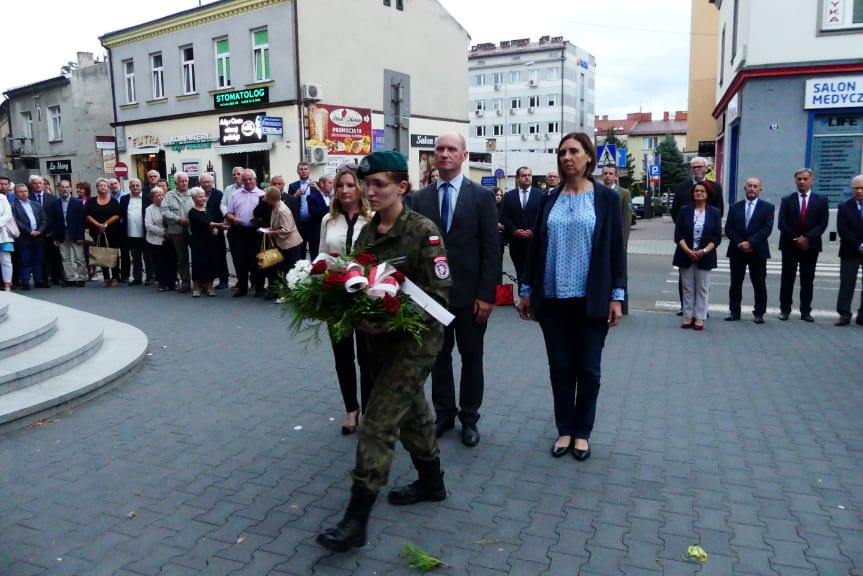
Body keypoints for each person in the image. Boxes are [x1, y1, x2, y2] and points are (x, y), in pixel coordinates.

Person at [316, 150, 451, 554]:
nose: (369, 192)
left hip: (416, 343)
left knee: (378, 421)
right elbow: (358, 277)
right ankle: (432, 483)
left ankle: (356, 519)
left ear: (402, 188)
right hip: (379, 340)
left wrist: (387, 321)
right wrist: (353, 312)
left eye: (379, 185)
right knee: (413, 413)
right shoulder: (368, 232)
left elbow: (437, 295)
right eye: (366, 185)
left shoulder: (423, 231)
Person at [517, 132, 625, 462]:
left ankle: (583, 432)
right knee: (561, 368)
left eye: (574, 151)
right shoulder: (549, 198)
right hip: (552, 300)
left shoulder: (605, 198)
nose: (567, 157)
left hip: (591, 300)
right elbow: (535, 249)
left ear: (589, 158)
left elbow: (616, 250)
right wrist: (526, 291)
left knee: (589, 369)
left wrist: (617, 296)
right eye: (562, 152)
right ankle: (565, 428)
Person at [412, 133, 498, 448]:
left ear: (463, 156)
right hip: (434, 299)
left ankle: (469, 418)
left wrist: (487, 294)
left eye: (451, 149)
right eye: (440, 149)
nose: (445, 154)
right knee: (439, 358)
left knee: (472, 359)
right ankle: (444, 415)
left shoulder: (482, 197)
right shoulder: (420, 199)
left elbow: (492, 249)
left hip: (472, 298)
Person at [318, 165, 373, 435]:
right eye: (340, 186)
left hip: (366, 294)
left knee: (367, 356)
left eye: (350, 185)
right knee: (342, 355)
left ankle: (370, 408)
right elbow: (320, 256)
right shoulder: (328, 220)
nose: (345, 190)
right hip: (336, 294)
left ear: (359, 187)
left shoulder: (372, 218)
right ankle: (351, 409)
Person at [671, 157, 724, 316]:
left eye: (699, 167)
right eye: (693, 167)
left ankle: (701, 310)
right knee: (685, 280)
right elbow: (675, 211)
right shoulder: (681, 187)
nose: (696, 170)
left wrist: (707, 239)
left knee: (703, 281)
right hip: (686, 240)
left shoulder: (715, 188)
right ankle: (685, 308)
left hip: (706, 240)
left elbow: (718, 211)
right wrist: (685, 229)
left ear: (706, 168)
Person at [777, 168, 829, 322]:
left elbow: (822, 223)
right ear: (795, 181)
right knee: (787, 278)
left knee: (807, 279)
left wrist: (807, 238)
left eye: (805, 179)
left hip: (810, 246)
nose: (802, 182)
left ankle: (805, 310)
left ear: (811, 180)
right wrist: (797, 238)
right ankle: (785, 309)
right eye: (799, 179)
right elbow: (782, 223)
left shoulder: (821, 200)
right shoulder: (787, 200)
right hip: (790, 245)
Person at [724, 177, 775, 324]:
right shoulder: (735, 207)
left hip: (757, 250)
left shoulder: (767, 208)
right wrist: (740, 242)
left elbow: (767, 229)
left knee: (759, 282)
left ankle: (759, 313)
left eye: (755, 186)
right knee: (735, 283)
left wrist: (750, 242)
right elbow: (729, 228)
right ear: (745, 188)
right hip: (737, 250)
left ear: (760, 189)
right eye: (749, 186)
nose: (752, 189)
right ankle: (734, 311)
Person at [226, 168, 265, 297]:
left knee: (258, 260)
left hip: (256, 232)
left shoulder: (262, 194)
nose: (248, 181)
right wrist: (233, 219)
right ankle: (242, 287)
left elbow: (267, 215)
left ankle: (259, 287)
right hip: (239, 231)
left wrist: (259, 220)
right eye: (245, 179)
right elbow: (228, 213)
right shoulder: (235, 194)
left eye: (250, 179)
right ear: (242, 181)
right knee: (239, 260)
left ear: (255, 179)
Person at [500, 166, 542, 281]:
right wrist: (514, 230)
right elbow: (504, 216)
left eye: (529, 175)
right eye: (524, 176)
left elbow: (543, 216)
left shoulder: (540, 195)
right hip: (516, 242)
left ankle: (533, 298)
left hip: (534, 241)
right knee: (520, 272)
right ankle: (522, 296)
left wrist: (533, 230)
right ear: (517, 178)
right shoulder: (509, 196)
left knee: (534, 272)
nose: (527, 178)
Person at [601, 164, 632, 314]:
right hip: (601, 239)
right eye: (605, 173)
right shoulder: (596, 192)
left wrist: (624, 243)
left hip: (617, 240)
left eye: (610, 173)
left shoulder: (624, 194)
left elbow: (626, 219)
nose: (607, 176)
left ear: (615, 176)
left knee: (620, 273)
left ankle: (622, 305)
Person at [835, 175, 863, 326]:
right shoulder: (845, 207)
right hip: (850, 250)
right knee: (847, 283)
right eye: (856, 188)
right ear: (852, 190)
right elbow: (843, 230)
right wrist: (859, 245)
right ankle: (844, 313)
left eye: (862, 188)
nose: (859, 191)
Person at [49, 180, 88, 287]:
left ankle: (81, 277)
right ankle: (69, 278)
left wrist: (81, 236)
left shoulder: (77, 202)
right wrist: (55, 237)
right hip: (62, 233)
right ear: (59, 188)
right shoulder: (55, 204)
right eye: (63, 187)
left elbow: (82, 221)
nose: (65, 189)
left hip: (76, 233)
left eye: (67, 187)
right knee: (65, 257)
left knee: (79, 257)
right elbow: (54, 222)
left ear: (70, 188)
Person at [85, 178, 122, 287]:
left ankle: (115, 277)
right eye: (100, 185)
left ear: (108, 188)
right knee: (101, 254)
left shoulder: (113, 201)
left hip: (112, 230)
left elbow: (117, 215)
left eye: (105, 186)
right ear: (97, 188)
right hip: (97, 231)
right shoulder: (91, 201)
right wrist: (98, 225)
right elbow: (88, 215)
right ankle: (106, 278)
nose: (103, 187)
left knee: (113, 253)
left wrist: (105, 224)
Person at [161, 172, 194, 293]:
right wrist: (178, 219)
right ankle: (185, 282)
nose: (184, 183)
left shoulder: (193, 194)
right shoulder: (169, 196)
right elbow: (164, 211)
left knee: (196, 255)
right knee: (182, 257)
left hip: (192, 230)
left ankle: (199, 282)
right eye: (181, 181)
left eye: (186, 180)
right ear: (175, 183)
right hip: (176, 230)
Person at [12, 183, 48, 290]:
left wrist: (39, 231)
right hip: (24, 237)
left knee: (38, 259)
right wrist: (29, 231)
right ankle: (25, 281)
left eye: (25, 191)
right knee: (24, 260)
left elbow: (44, 219)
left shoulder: (36, 204)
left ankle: (38, 280)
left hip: (38, 236)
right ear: (15, 193)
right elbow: (15, 221)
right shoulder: (13, 205)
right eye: (21, 191)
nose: (24, 193)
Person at [289, 162, 328, 259]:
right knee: (300, 252)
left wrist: (318, 189)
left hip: (314, 224)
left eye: (306, 169)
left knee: (315, 251)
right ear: (297, 171)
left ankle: (314, 272)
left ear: (309, 171)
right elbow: (288, 204)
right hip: (299, 224)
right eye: (301, 169)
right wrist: (295, 196)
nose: (303, 171)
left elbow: (325, 202)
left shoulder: (317, 185)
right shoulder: (293, 186)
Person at [187, 187, 219, 297]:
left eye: (203, 196)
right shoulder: (192, 212)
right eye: (199, 197)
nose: (202, 198)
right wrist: (218, 225)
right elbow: (204, 223)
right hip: (198, 241)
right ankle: (196, 288)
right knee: (197, 264)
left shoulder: (207, 209)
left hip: (210, 241)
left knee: (211, 263)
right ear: (194, 198)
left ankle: (209, 287)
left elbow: (211, 221)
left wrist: (215, 229)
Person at [120, 178, 151, 286]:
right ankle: (137, 277)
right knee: (135, 257)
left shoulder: (147, 198)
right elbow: (122, 215)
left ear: (141, 186)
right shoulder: (124, 199)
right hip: (131, 233)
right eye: (132, 186)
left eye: (137, 185)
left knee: (147, 256)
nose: (135, 187)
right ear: (129, 188)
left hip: (145, 232)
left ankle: (149, 277)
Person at [200, 173, 229, 289]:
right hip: (203, 230)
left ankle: (223, 280)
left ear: (212, 183)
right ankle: (207, 281)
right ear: (200, 183)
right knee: (205, 256)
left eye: (209, 182)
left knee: (220, 255)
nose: (206, 184)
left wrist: (216, 226)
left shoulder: (219, 194)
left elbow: (220, 211)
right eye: (204, 182)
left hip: (217, 228)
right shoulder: (197, 193)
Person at [145, 187, 176, 292]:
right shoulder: (149, 209)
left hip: (171, 238)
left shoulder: (170, 206)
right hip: (156, 239)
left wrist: (170, 232)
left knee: (172, 261)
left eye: (161, 195)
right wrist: (163, 232)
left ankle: (172, 282)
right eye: (156, 196)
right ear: (152, 198)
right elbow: (148, 225)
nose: (159, 198)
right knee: (159, 262)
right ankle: (161, 283)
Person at [0, 192, 15, 290]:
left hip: (2, 233)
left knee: (6, 260)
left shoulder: (2, 198)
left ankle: (7, 285)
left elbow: (8, 214)